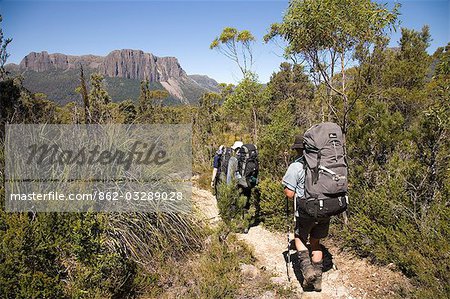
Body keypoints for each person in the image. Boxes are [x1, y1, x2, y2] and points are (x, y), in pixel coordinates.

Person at [282, 134, 329, 291]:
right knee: (315, 242)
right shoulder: (324, 164)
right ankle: (318, 280)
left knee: (300, 238)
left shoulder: (296, 166)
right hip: (325, 210)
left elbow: (289, 193)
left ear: (298, 150)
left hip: (305, 210)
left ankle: (308, 271)